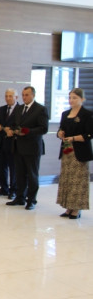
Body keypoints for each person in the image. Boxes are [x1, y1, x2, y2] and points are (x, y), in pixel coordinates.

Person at [5, 86, 49, 210]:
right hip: (18, 146)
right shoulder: (19, 109)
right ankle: (20, 197)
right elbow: (15, 124)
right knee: (20, 174)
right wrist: (11, 130)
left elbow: (43, 128)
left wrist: (28, 131)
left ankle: (32, 200)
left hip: (32, 147)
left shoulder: (40, 109)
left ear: (33, 95)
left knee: (32, 175)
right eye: (23, 95)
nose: (24, 97)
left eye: (27, 95)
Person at [56, 88, 93, 219]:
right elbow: (61, 129)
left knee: (77, 181)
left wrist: (73, 138)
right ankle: (68, 207)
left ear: (82, 99)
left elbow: (89, 134)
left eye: (74, 98)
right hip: (67, 151)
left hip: (79, 152)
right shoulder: (65, 114)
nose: (71, 100)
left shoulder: (87, 114)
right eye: (70, 97)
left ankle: (76, 209)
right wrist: (60, 133)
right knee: (67, 179)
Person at [0, 89, 19, 198]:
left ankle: (14, 190)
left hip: (13, 144)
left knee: (13, 168)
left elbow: (20, 125)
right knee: (1, 167)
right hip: (1, 142)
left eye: (10, 96)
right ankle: (4, 188)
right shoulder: (2, 109)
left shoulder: (20, 109)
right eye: (6, 96)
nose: (8, 98)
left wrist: (12, 130)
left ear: (16, 97)